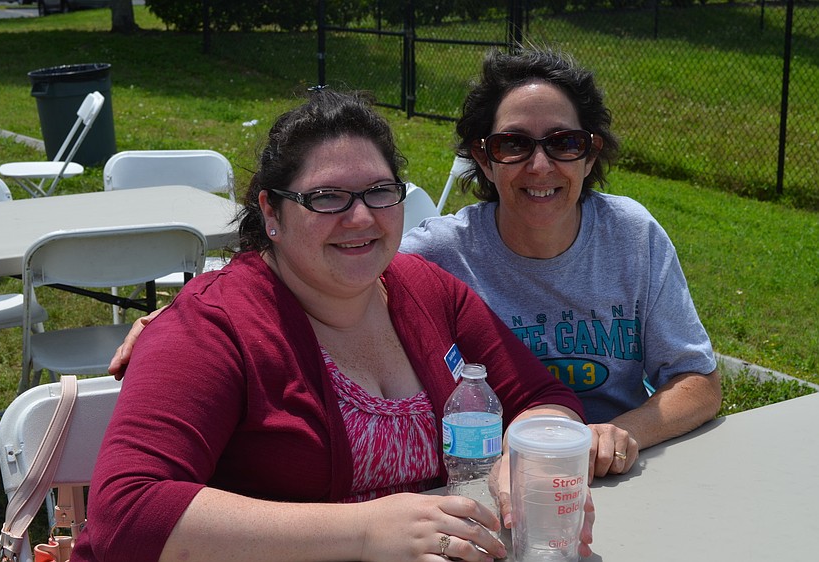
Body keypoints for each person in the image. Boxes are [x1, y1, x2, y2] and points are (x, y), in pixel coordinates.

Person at [75, 89, 591, 562]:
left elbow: (542, 397)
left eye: (380, 192)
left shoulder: (427, 290)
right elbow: (128, 512)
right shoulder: (212, 325)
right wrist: (365, 531)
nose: (361, 217)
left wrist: (529, 465)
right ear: (271, 212)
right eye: (326, 197)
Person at [399, 46, 722, 480]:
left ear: (590, 156)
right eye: (513, 144)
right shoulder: (434, 257)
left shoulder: (632, 236)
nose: (539, 166)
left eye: (564, 143)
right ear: (484, 160)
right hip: (497, 482)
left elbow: (698, 381)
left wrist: (618, 435)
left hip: (619, 476)